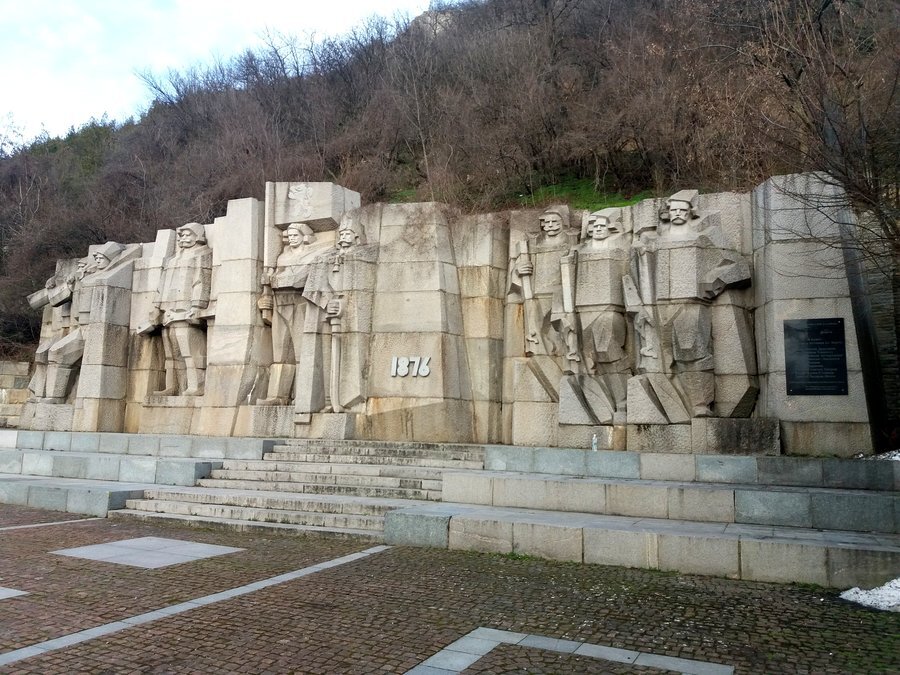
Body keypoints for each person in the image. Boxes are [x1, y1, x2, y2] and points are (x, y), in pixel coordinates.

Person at [257, 222, 334, 412]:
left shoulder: (313, 255)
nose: (292, 238)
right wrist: (267, 287)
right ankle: (277, 395)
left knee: (301, 353)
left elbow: (301, 279)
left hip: (299, 304)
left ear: (304, 236)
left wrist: (278, 279)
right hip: (280, 304)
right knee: (280, 355)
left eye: (295, 235)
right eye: (289, 235)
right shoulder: (283, 257)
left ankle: (301, 395)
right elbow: (276, 281)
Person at [150, 222, 213, 396]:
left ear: (198, 236)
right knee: (171, 353)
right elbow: (161, 286)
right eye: (181, 235)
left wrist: (196, 305)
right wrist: (157, 307)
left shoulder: (203, 254)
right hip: (168, 310)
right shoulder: (173, 259)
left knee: (189, 351)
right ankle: (173, 386)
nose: (183, 238)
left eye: (187, 235)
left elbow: (201, 281)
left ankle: (197, 385)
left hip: (185, 310)